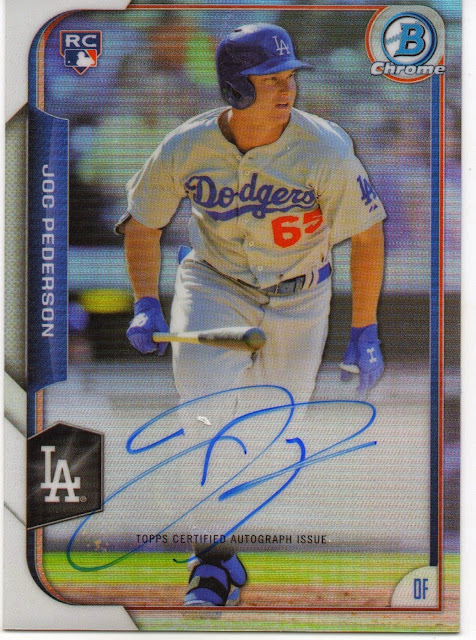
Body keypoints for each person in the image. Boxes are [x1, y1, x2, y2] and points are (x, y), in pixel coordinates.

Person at [117, 23, 385, 607]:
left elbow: (367, 237)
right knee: (204, 416)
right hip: (214, 283)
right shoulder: (186, 145)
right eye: (270, 79)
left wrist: (364, 328)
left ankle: (220, 551)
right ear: (237, 87)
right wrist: (145, 301)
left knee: (266, 437)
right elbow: (143, 223)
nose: (287, 89)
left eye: (289, 77)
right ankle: (212, 565)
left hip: (302, 296)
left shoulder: (325, 147)